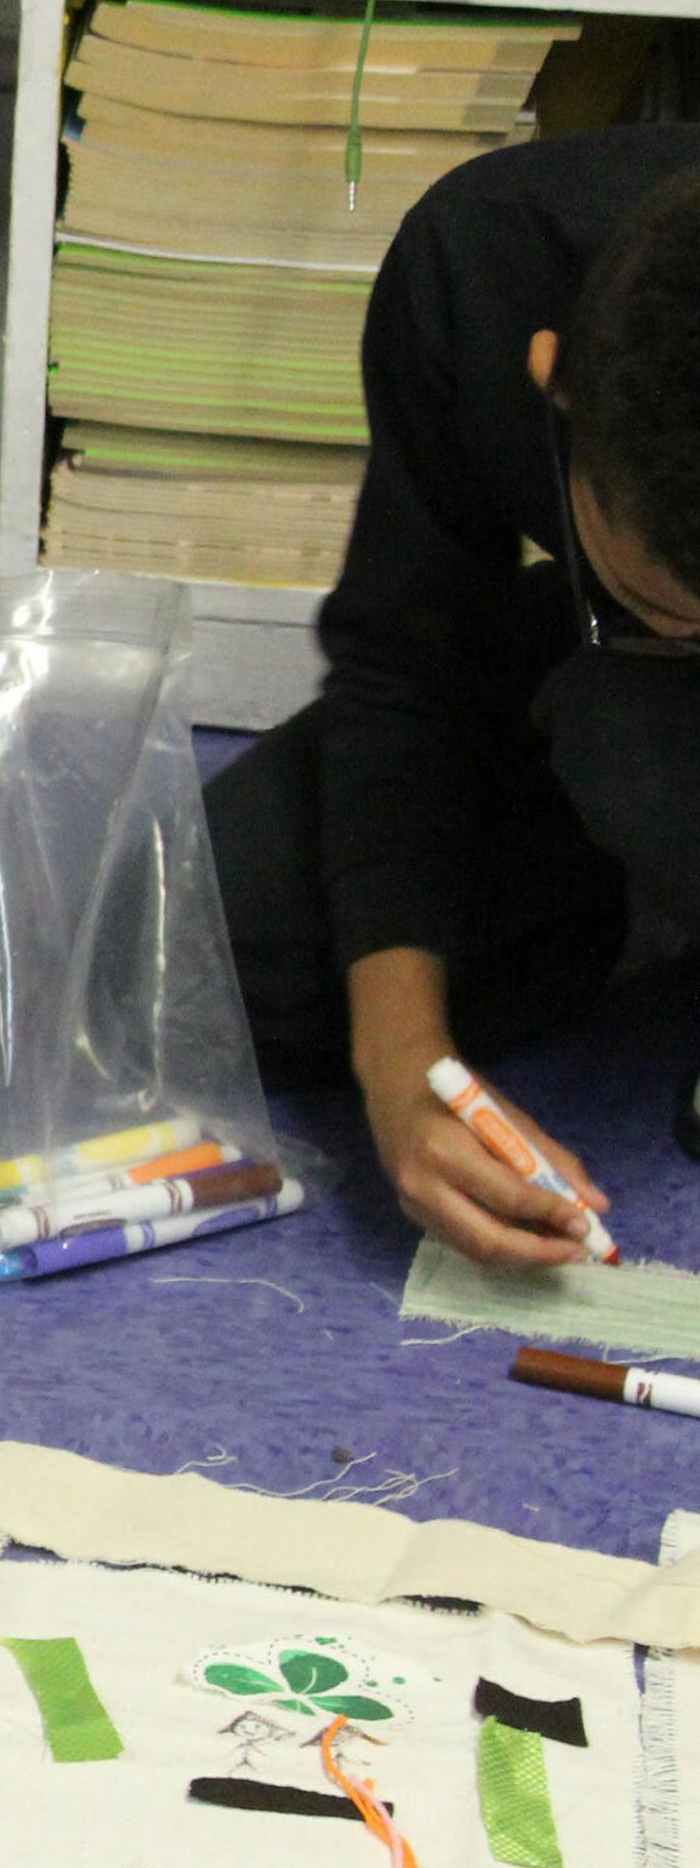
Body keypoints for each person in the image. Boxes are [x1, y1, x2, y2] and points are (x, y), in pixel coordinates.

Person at [205, 128, 700, 1267]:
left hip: (631, 724)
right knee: (222, 938)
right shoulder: (480, 261)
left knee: (630, 747)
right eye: (661, 601)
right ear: (551, 378)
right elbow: (402, 674)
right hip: (579, 678)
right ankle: (642, 893)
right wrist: (406, 1073)